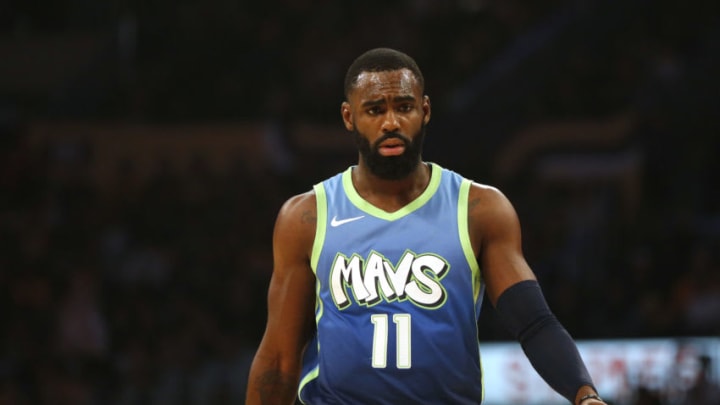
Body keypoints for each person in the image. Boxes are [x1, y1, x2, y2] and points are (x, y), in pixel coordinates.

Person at [246, 47, 606, 405]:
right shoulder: (306, 216)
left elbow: (534, 323)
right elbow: (279, 359)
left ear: (425, 110)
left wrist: (584, 394)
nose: (390, 123)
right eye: (374, 110)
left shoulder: (478, 209)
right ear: (348, 117)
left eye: (403, 107)